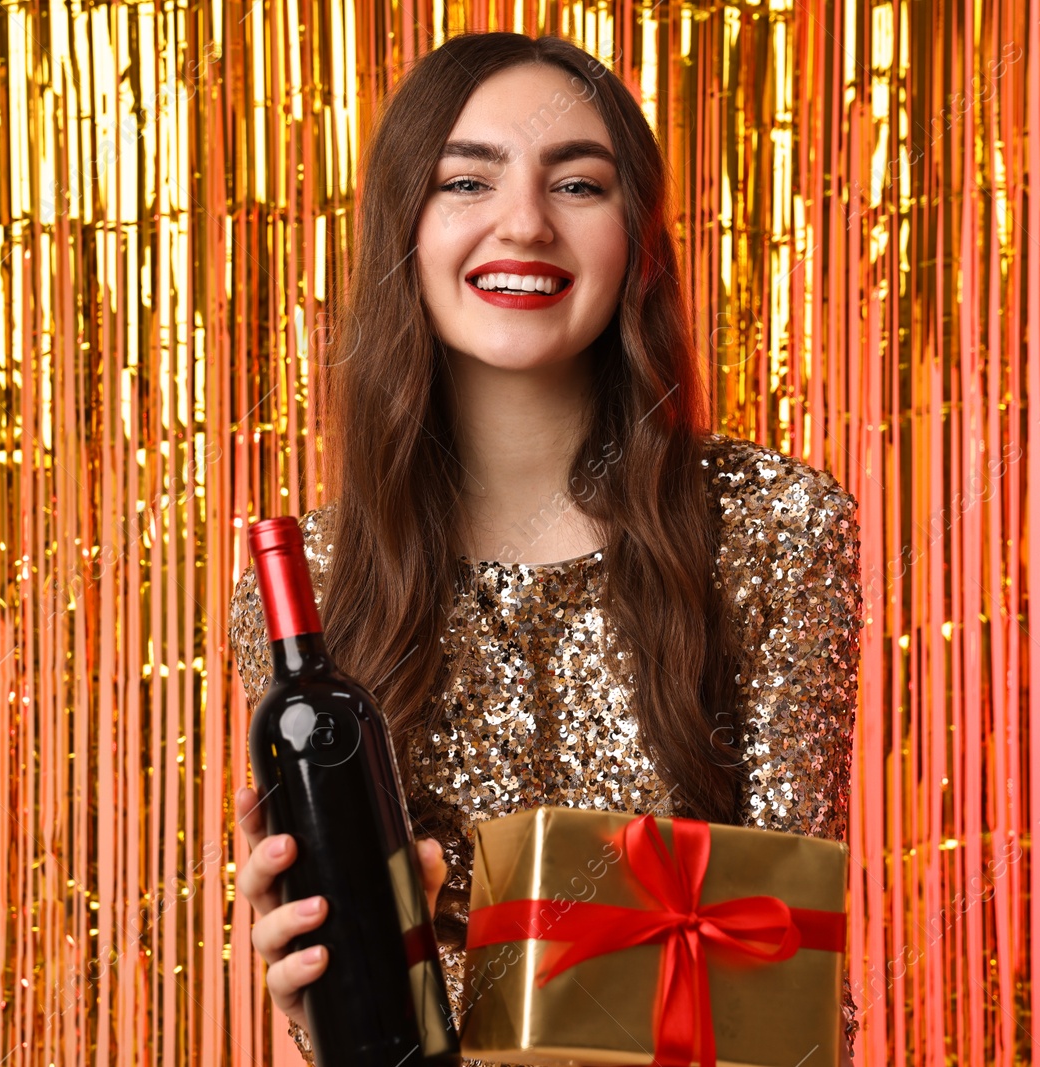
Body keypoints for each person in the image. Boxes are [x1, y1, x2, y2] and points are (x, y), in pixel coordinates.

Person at [229, 31, 861, 1066]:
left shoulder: (773, 526)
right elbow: (376, 1027)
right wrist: (321, 1007)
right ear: (405, 230)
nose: (523, 222)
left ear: (637, 239)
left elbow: (787, 979)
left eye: (577, 183)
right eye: (465, 180)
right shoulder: (312, 593)